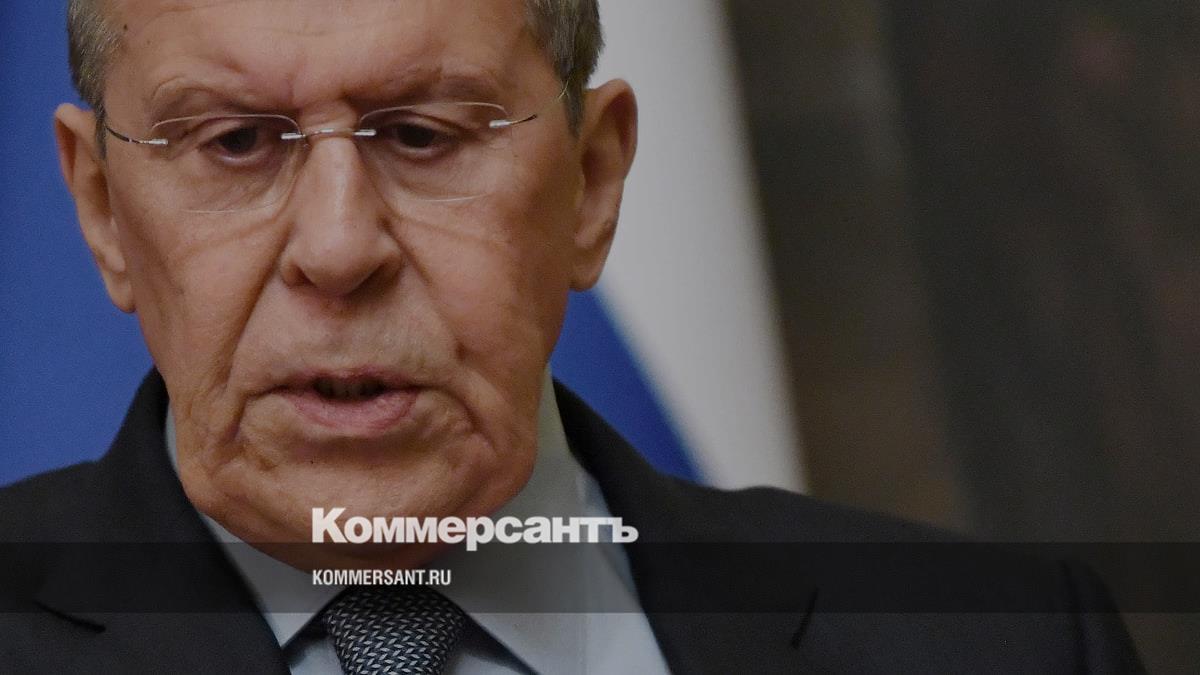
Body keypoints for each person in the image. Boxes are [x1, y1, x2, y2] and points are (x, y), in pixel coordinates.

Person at [0, 0, 1144, 673]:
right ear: (101, 210)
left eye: (423, 134)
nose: (339, 248)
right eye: (237, 143)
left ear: (591, 181)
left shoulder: (1006, 645)